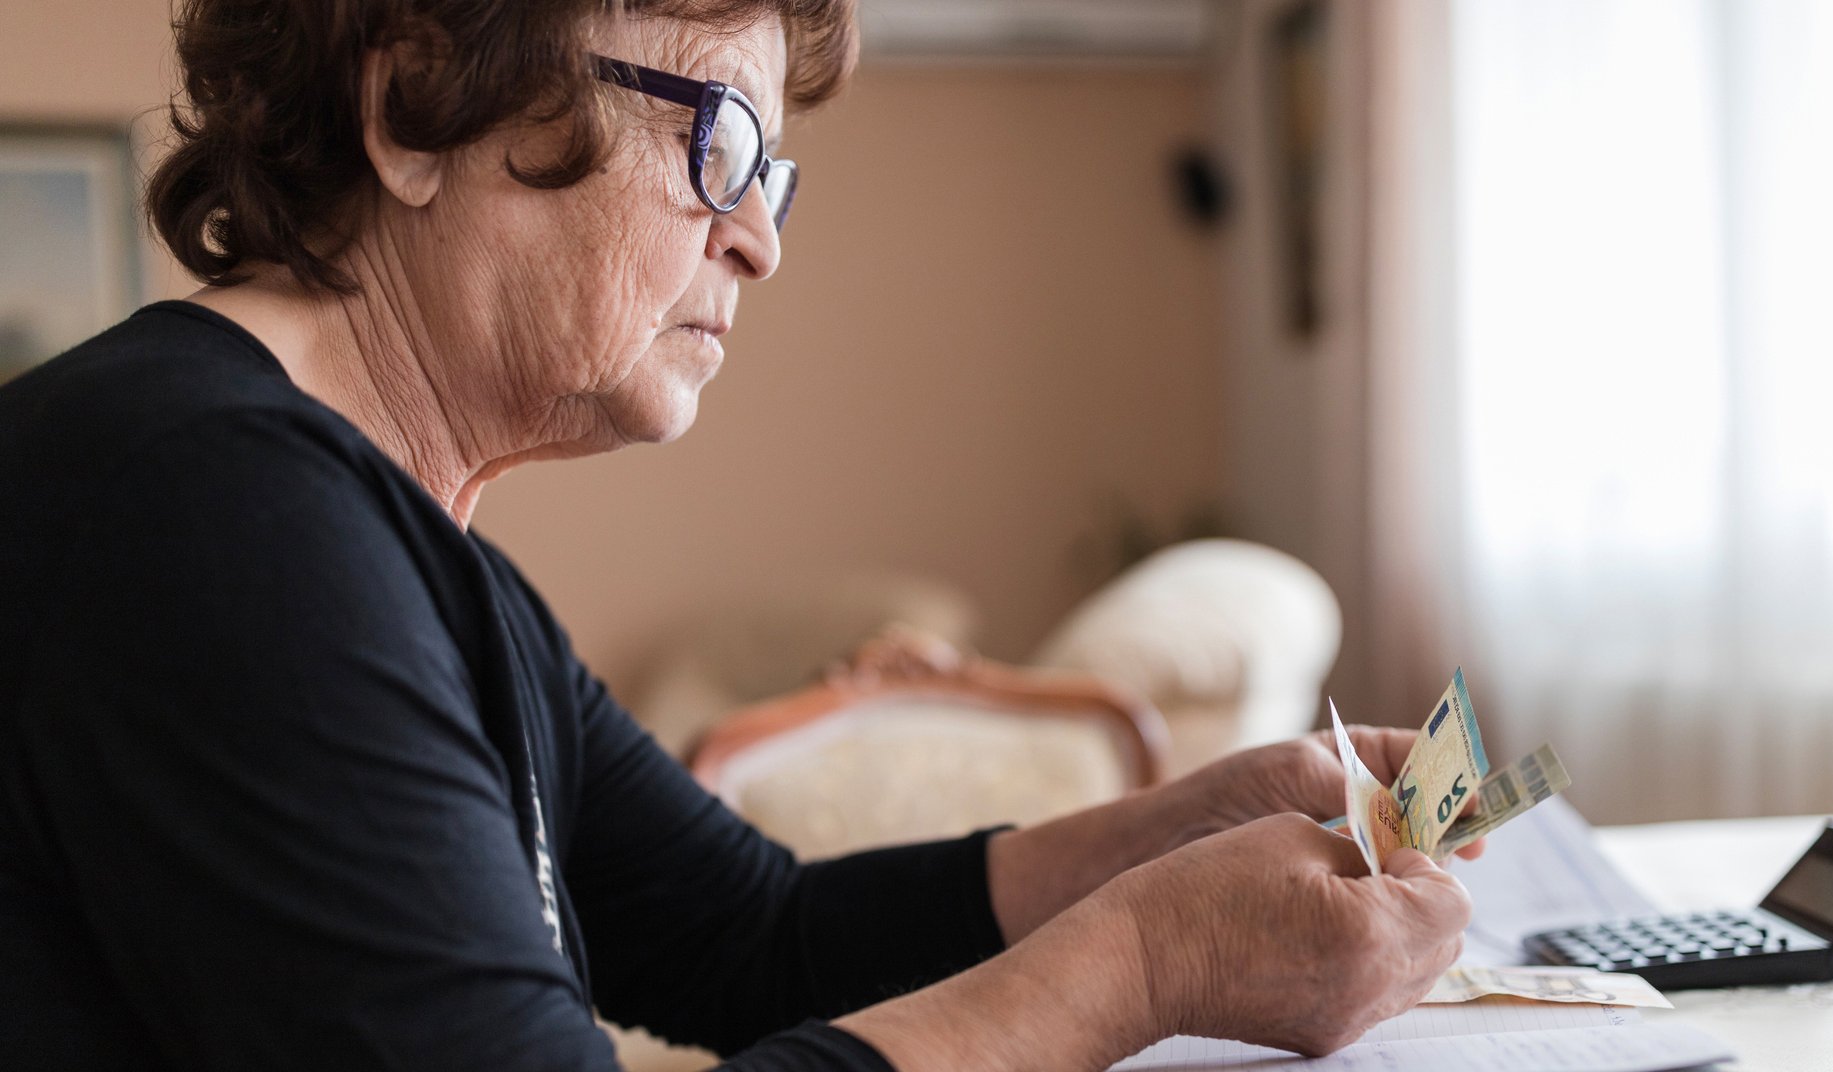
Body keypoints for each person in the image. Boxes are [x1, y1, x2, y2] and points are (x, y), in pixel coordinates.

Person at [0, 1, 1479, 1069]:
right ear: (412, 103)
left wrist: (1179, 826)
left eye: (768, 172)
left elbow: (755, 938)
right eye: (717, 134)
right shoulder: (209, 510)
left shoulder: (392, 551)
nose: (759, 236)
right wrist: (1156, 958)